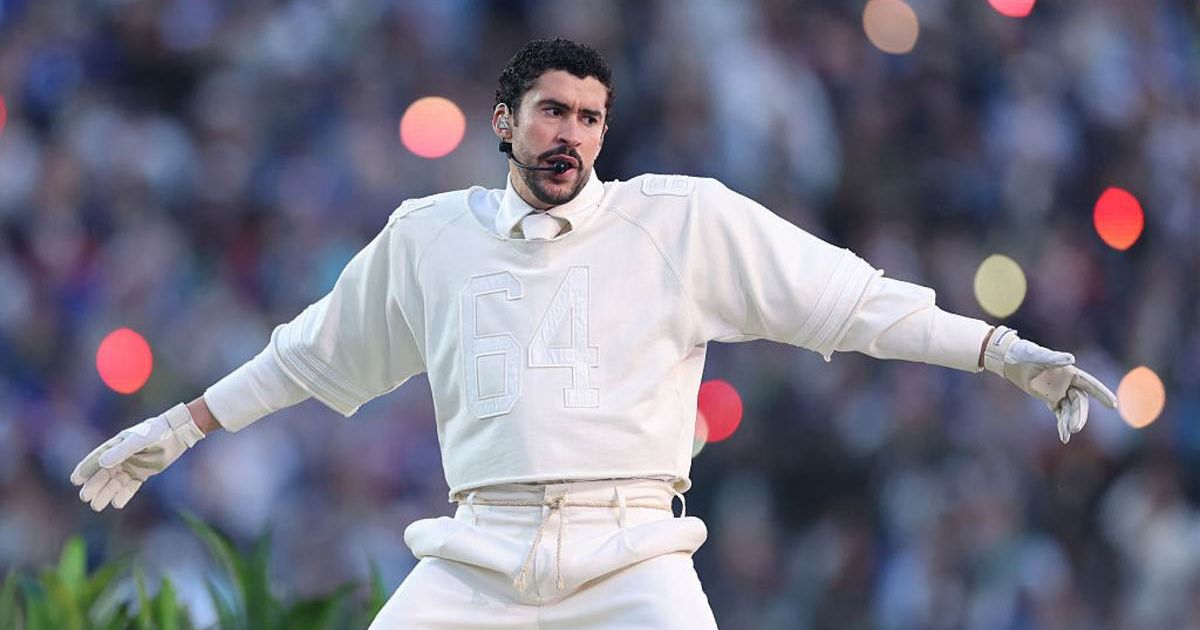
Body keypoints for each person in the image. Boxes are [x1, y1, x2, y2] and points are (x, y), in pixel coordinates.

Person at [71, 38, 1118, 628]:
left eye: (588, 117)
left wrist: (996, 350)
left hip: (634, 561)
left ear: (605, 133)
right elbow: (312, 353)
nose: (568, 131)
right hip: (474, 559)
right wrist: (183, 423)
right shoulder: (429, 236)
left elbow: (848, 301)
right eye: (550, 111)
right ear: (503, 121)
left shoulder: (678, 219)